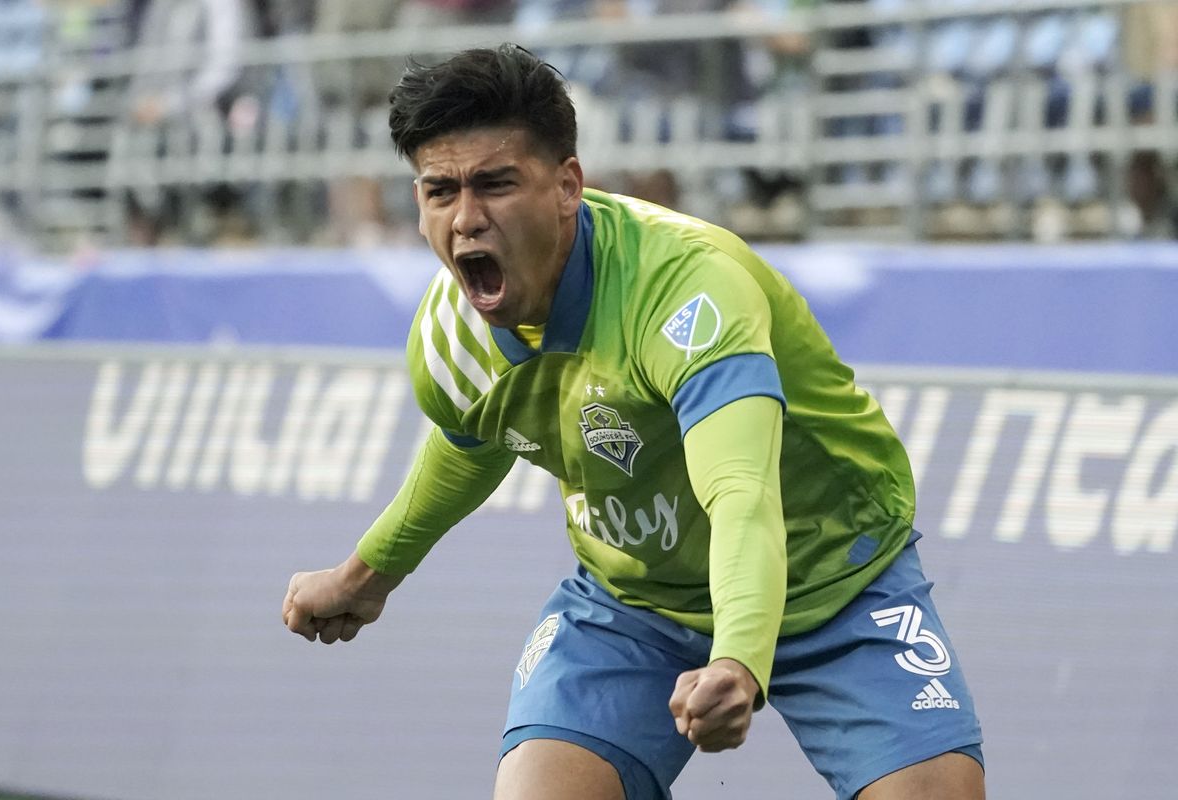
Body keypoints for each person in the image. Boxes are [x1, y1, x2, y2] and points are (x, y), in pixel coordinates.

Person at [282, 44, 985, 800]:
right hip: (635, 604)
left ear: (567, 187)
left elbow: (741, 494)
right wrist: (366, 575)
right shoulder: (451, 337)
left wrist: (738, 660)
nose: (466, 220)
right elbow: (474, 443)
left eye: (495, 184)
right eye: (439, 191)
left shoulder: (685, 290)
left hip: (837, 579)